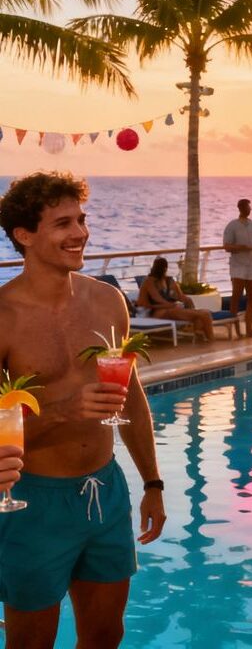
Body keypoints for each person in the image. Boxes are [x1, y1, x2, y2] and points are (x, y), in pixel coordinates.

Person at [0, 172, 166, 648]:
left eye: (82, 219)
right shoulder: (4, 316)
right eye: (62, 223)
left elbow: (129, 395)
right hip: (33, 501)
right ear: (24, 235)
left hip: (104, 491)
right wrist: (62, 410)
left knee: (105, 636)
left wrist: (151, 482)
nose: (80, 233)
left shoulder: (107, 301)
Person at [136, 256, 215, 342]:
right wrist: (171, 305)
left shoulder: (169, 280)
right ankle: (211, 339)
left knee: (203, 315)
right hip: (159, 313)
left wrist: (187, 300)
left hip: (171, 309)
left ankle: (200, 336)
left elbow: (181, 296)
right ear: (165, 268)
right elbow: (154, 301)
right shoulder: (149, 281)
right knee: (204, 315)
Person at [222, 198, 252, 338]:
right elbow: (227, 246)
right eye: (247, 207)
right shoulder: (232, 226)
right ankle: (236, 329)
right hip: (238, 266)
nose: (249, 210)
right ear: (241, 208)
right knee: (236, 297)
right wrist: (241, 247)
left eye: (249, 207)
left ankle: (249, 328)